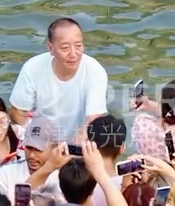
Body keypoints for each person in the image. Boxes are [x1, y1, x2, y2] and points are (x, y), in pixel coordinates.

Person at [8, 18, 113, 146]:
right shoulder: (33, 68)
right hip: (42, 141)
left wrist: (82, 134)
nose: (73, 54)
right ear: (51, 48)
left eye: (78, 46)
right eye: (65, 48)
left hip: (77, 143)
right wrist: (35, 134)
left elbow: (94, 117)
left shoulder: (95, 71)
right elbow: (18, 111)